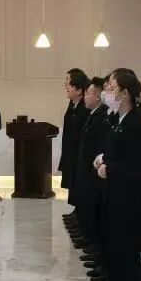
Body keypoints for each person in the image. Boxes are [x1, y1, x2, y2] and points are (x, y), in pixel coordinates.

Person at [95, 69, 141, 281]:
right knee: (116, 251)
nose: (108, 92)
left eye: (112, 87)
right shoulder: (121, 119)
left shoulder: (135, 123)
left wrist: (109, 169)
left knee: (128, 256)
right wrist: (102, 160)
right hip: (115, 197)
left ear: (125, 92)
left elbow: (133, 166)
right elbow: (115, 152)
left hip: (128, 201)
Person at [69, 77, 112, 281]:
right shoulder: (95, 115)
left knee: (99, 220)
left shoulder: (104, 116)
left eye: (88, 93)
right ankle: (97, 256)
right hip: (90, 172)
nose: (86, 96)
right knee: (92, 216)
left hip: (100, 176)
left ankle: (103, 265)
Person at [59, 70, 89, 224]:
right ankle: (76, 211)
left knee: (79, 184)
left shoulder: (85, 107)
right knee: (73, 183)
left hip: (79, 153)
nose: (66, 86)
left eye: (69, 83)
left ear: (79, 90)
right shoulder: (72, 104)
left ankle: (80, 213)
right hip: (71, 152)